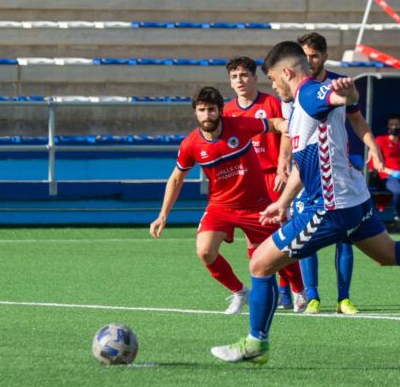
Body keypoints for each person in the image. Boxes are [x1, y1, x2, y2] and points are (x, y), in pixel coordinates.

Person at [211, 41, 400, 365]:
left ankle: (256, 343)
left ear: (286, 72)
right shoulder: (306, 102)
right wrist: (284, 201)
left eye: (273, 79)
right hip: (355, 199)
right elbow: (306, 161)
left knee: (259, 263)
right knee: (389, 253)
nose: (273, 86)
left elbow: (337, 98)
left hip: (329, 208)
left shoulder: (309, 93)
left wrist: (349, 95)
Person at [149, 87, 294, 315]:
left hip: (256, 204)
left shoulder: (240, 125)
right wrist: (162, 215)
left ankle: (302, 292)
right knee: (205, 251)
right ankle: (239, 292)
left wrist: (286, 126)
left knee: (283, 251)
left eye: (211, 110)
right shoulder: (191, 144)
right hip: (220, 206)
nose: (207, 115)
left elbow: (274, 124)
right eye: (202, 110)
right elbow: (176, 178)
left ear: (220, 111)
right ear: (195, 112)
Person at [290, 32, 386, 315]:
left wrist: (374, 148)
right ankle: (313, 296)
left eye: (315, 56)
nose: (310, 61)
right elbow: (289, 129)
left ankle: (343, 298)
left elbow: (357, 120)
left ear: (324, 56)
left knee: (345, 236)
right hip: (306, 175)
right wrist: (285, 161)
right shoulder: (293, 88)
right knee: (305, 236)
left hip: (337, 174)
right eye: (304, 56)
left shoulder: (338, 84)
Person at [222, 56, 308, 312]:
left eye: (244, 75)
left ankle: (297, 289)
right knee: (254, 240)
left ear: (254, 77)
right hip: (244, 183)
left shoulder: (271, 103)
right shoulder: (227, 111)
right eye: (234, 76)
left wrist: (284, 165)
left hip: (271, 177)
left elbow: (288, 131)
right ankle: (267, 291)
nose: (240, 80)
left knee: (278, 237)